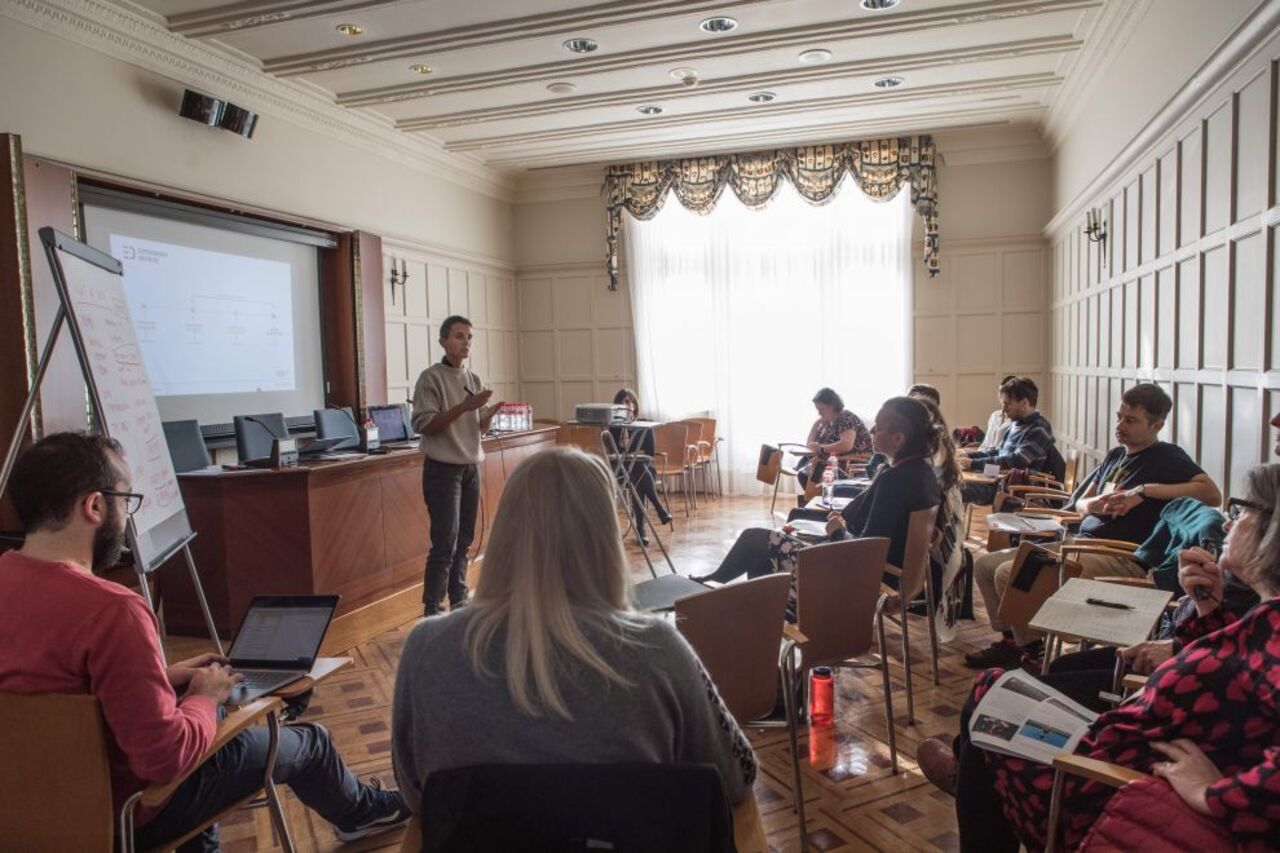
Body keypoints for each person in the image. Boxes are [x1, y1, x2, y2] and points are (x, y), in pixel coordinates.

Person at [0, 433, 408, 850]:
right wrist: (206, 697)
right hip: (122, 816)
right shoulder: (112, 611)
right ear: (95, 506)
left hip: (21, 813)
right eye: (126, 501)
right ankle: (364, 813)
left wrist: (160, 676)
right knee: (310, 742)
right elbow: (165, 759)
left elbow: (59, 695)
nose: (127, 519)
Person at [919, 462, 1280, 852]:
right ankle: (973, 775)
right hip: (1120, 756)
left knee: (990, 691)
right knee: (1008, 689)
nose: (1227, 524)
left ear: (1272, 533)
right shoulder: (1264, 622)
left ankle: (972, 778)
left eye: (1241, 511)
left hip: (1100, 791)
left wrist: (1214, 793)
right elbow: (1227, 663)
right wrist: (1208, 608)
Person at [391, 447, 757, 812]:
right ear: (606, 538)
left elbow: (416, 794)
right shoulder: (658, 650)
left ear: (504, 532)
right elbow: (738, 778)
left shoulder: (425, 649)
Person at [965, 383, 1221, 668]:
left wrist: (1145, 490)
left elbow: (1211, 494)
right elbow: (1079, 505)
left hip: (1119, 556)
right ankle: (1014, 642)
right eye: (1119, 416)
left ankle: (1034, 655)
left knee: (1007, 574)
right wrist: (1095, 505)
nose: (1120, 425)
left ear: (1157, 425)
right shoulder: (1115, 455)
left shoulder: (1168, 457)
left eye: (1131, 420)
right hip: (1079, 542)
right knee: (985, 566)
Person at [692, 397, 942, 613]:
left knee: (756, 541)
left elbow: (866, 553)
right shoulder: (924, 474)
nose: (872, 430)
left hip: (856, 580)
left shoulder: (894, 481)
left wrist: (837, 531)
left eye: (879, 427)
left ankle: (719, 595)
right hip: (884, 576)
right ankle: (758, 616)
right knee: (762, 548)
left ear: (898, 438)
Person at [411, 315, 503, 617]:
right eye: (460, 336)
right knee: (445, 541)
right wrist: (465, 406)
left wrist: (486, 417)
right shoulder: (430, 377)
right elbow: (425, 425)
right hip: (442, 470)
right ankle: (432, 608)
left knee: (465, 540)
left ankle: (459, 600)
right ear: (443, 341)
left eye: (470, 337)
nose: (467, 343)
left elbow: (477, 431)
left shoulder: (473, 379)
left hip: (470, 468)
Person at [958, 377, 1055, 505]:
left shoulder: (1039, 429)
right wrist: (967, 456)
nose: (1003, 409)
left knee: (954, 490)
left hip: (1014, 489)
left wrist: (973, 464)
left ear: (1024, 404)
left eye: (1007, 404)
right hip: (998, 479)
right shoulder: (1016, 424)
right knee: (952, 484)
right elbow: (999, 451)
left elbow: (1016, 460)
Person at [608, 388, 671, 547]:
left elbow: (649, 453)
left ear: (635, 404)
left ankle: (641, 529)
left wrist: (632, 456)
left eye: (629, 402)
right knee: (637, 474)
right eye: (622, 403)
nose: (626, 406)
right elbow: (613, 452)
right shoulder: (613, 428)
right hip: (621, 472)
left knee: (638, 472)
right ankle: (658, 509)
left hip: (644, 468)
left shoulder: (644, 424)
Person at [795, 387, 872, 489]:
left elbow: (846, 445)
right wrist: (816, 424)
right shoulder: (829, 422)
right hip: (835, 461)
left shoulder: (846, 418)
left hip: (850, 463)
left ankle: (817, 499)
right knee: (804, 464)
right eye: (818, 410)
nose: (819, 413)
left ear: (832, 406)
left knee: (805, 473)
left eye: (821, 409)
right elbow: (810, 445)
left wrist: (822, 448)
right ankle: (813, 499)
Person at [977, 375, 1017, 451]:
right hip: (984, 456)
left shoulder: (1017, 421)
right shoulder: (994, 416)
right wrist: (970, 456)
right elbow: (985, 444)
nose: (1001, 397)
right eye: (1000, 392)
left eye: (1004, 393)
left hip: (996, 459)